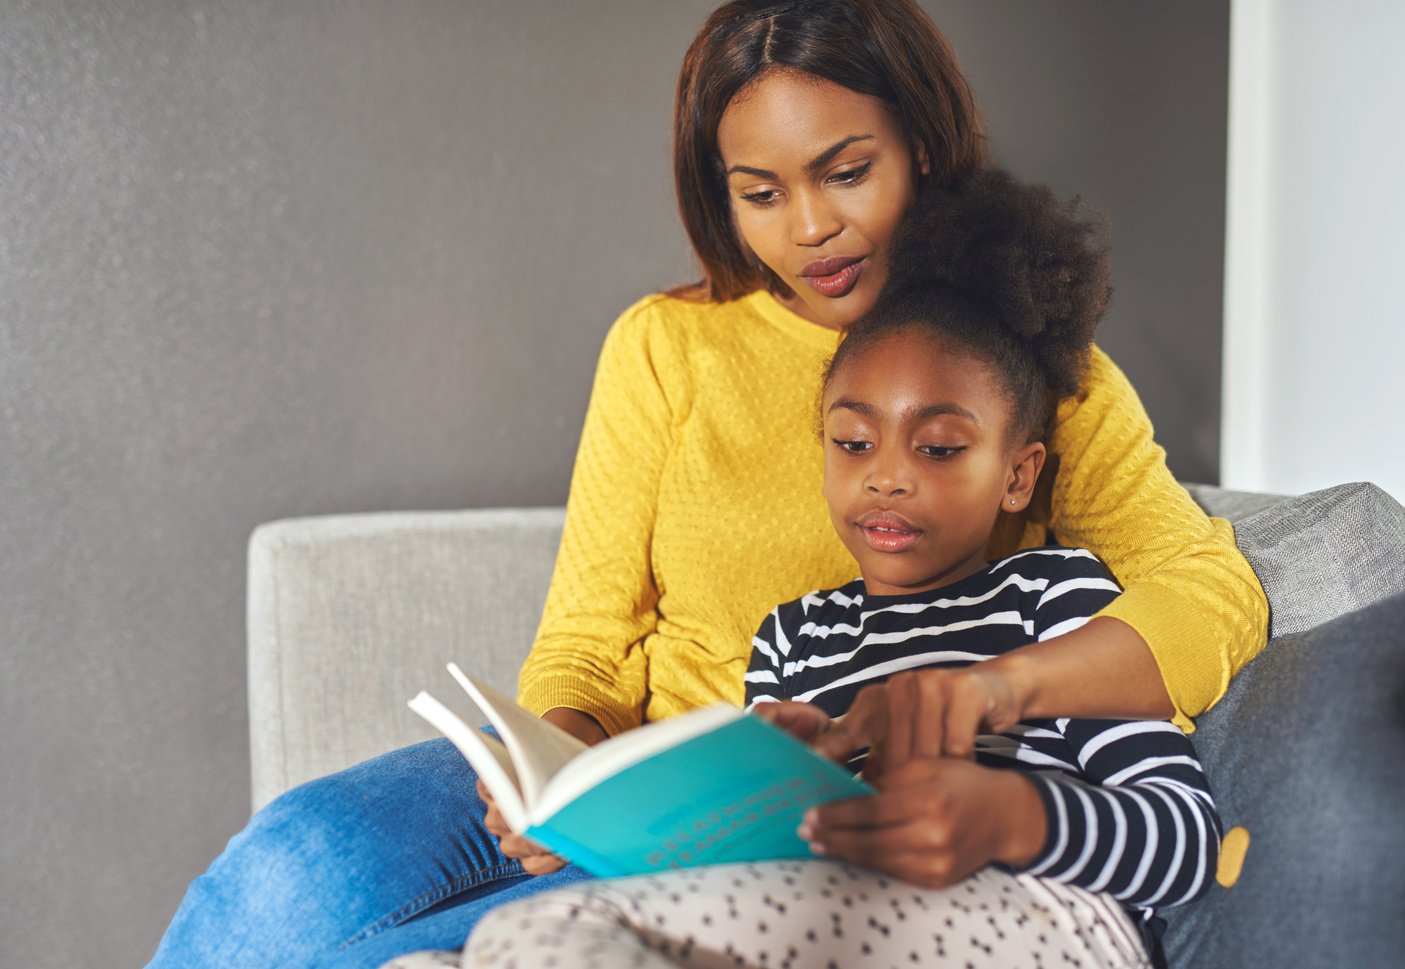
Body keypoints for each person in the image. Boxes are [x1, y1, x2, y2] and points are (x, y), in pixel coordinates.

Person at [145, 3, 1266, 967]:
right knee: (290, 867)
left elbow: (1209, 593)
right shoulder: (664, 348)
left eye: (846, 171)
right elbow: (588, 636)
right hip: (631, 772)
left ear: (921, 146)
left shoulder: (1024, 364)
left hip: (784, 823)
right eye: (759, 191)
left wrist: (998, 690)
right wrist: (558, 766)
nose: (810, 228)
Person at [458, 167, 1221, 969]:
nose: (885, 475)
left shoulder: (1052, 599)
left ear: (1017, 475)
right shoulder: (794, 635)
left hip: (1038, 906)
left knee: (534, 936)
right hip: (839, 910)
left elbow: (1183, 836)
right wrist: (775, 780)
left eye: (937, 448)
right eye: (853, 443)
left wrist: (1009, 814)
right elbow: (761, 875)